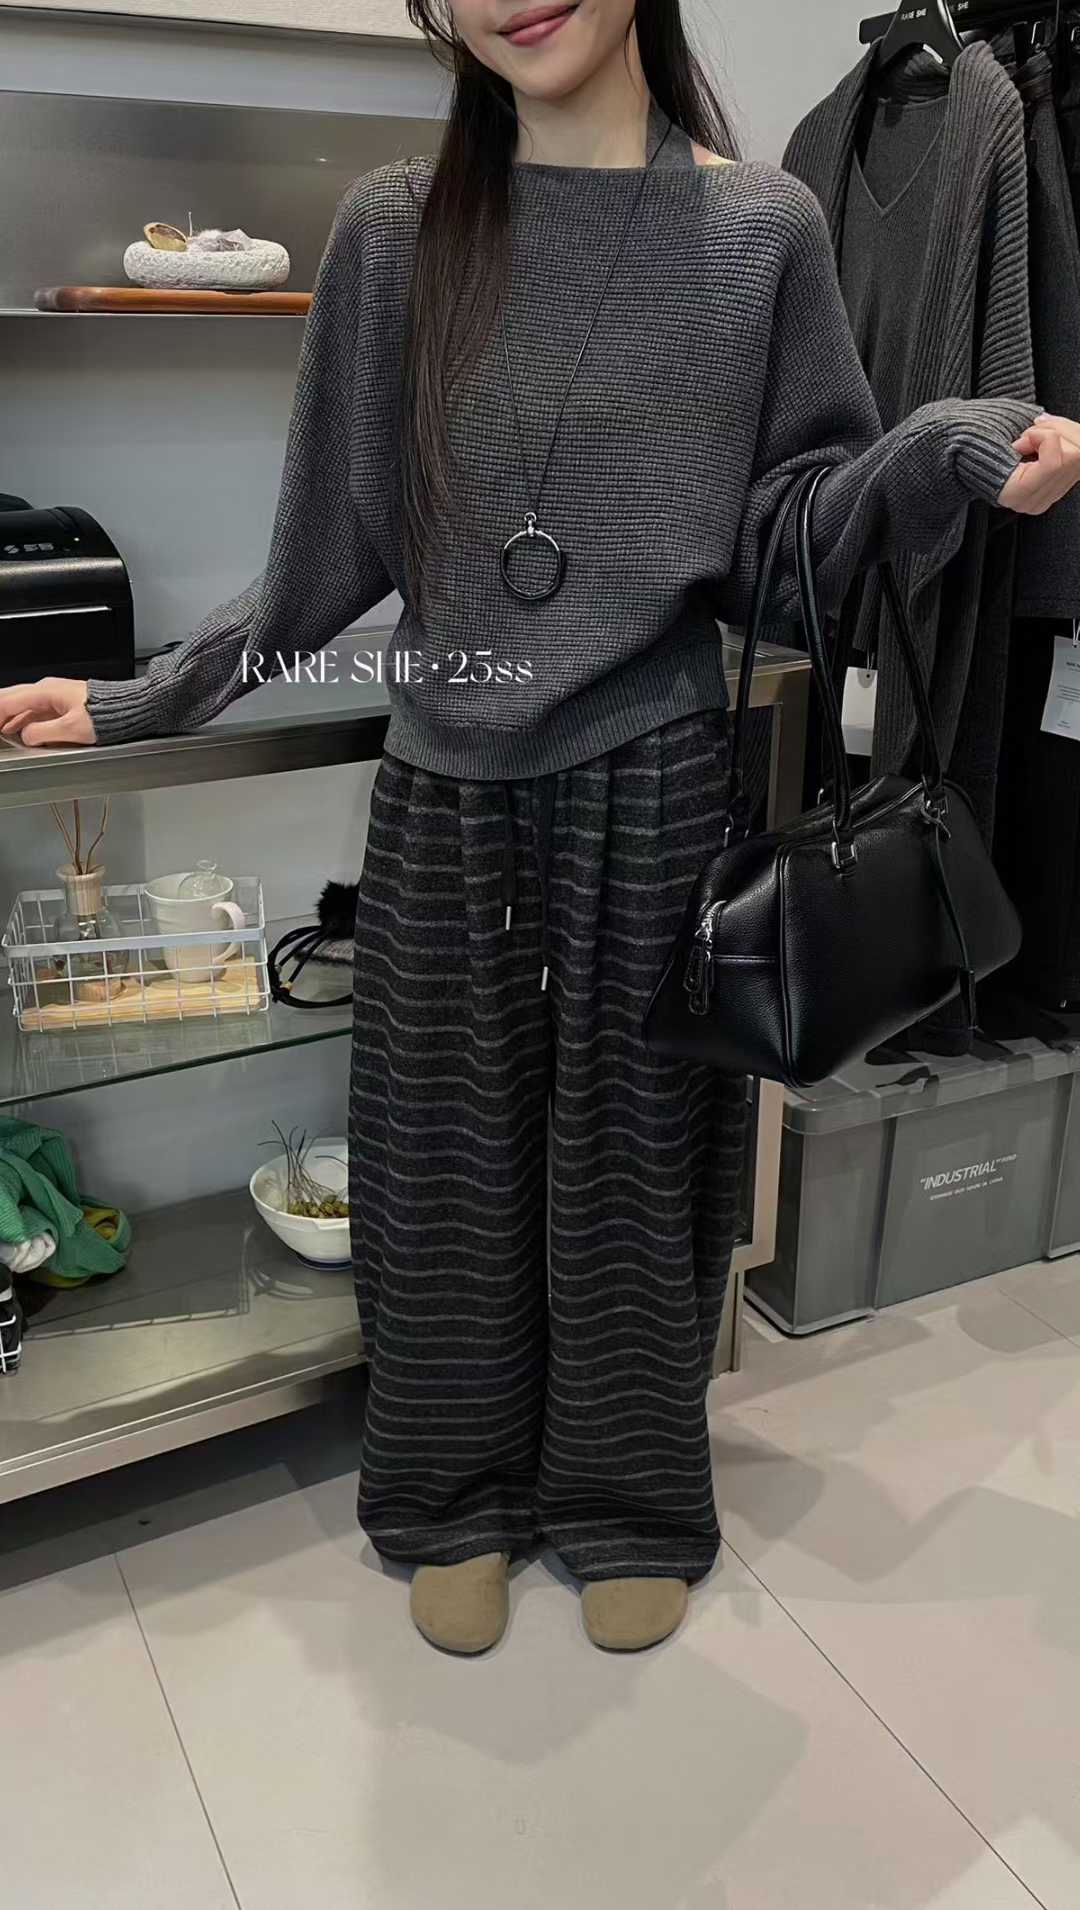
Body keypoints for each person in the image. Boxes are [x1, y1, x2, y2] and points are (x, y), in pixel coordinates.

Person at [3, 0, 1079, 1658]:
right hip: (444, 791)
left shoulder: (761, 230)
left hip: (658, 780)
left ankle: (629, 1497)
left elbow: (790, 542)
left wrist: (938, 451)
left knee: (640, 1159)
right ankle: (454, 1492)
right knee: (439, 1160)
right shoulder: (392, 233)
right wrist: (145, 699)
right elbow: (323, 559)